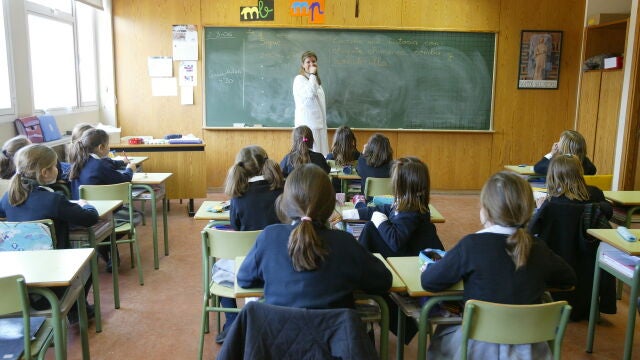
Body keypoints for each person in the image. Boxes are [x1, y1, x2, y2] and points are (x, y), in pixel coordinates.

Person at [421, 171, 576, 359]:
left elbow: (429, 282)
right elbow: (568, 279)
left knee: (442, 332)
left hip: (476, 349)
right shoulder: (538, 248)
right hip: (530, 350)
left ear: (485, 210)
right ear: (528, 209)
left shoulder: (471, 245)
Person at [237, 163, 392, 309]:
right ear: (330, 205)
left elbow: (244, 279)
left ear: (285, 203)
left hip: (279, 336)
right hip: (336, 336)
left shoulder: (269, 238)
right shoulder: (345, 243)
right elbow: (383, 281)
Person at [0, 144, 100, 322]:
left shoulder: (8, 197)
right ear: (45, 172)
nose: (58, 169)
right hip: (53, 280)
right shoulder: (53, 200)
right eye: (55, 166)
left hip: (15, 280)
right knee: (89, 259)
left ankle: (77, 310)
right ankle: (76, 311)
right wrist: (86, 204)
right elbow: (90, 218)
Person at [528, 154, 615, 320]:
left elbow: (530, 233)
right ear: (580, 172)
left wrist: (540, 210)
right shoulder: (596, 196)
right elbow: (607, 214)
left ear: (552, 175)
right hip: (587, 281)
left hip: (556, 284)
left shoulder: (550, 205)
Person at [214, 145, 285, 343]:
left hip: (248, 265)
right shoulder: (282, 190)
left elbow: (235, 227)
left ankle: (232, 322)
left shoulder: (238, 198)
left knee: (217, 268)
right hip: (280, 262)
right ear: (266, 163)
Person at [344, 156, 443, 258]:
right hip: (403, 248)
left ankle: (357, 261)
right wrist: (350, 213)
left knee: (370, 228)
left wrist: (381, 222)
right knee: (371, 228)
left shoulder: (411, 211)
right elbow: (383, 209)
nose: (393, 183)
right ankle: (358, 260)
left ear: (404, 186)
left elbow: (395, 242)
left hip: (407, 256)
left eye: (396, 181)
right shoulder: (407, 202)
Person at [68, 128, 137, 200]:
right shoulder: (100, 165)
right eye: (108, 144)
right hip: (103, 207)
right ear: (101, 147)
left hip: (81, 207)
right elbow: (125, 180)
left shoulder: (77, 162)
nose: (109, 147)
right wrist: (130, 169)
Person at [293, 50, 329, 156]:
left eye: (313, 61)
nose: (311, 64)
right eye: (308, 62)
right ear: (303, 65)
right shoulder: (299, 79)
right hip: (309, 125)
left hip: (320, 125)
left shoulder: (315, 80)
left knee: (321, 155)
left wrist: (313, 76)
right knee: (311, 154)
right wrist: (313, 74)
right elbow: (310, 93)